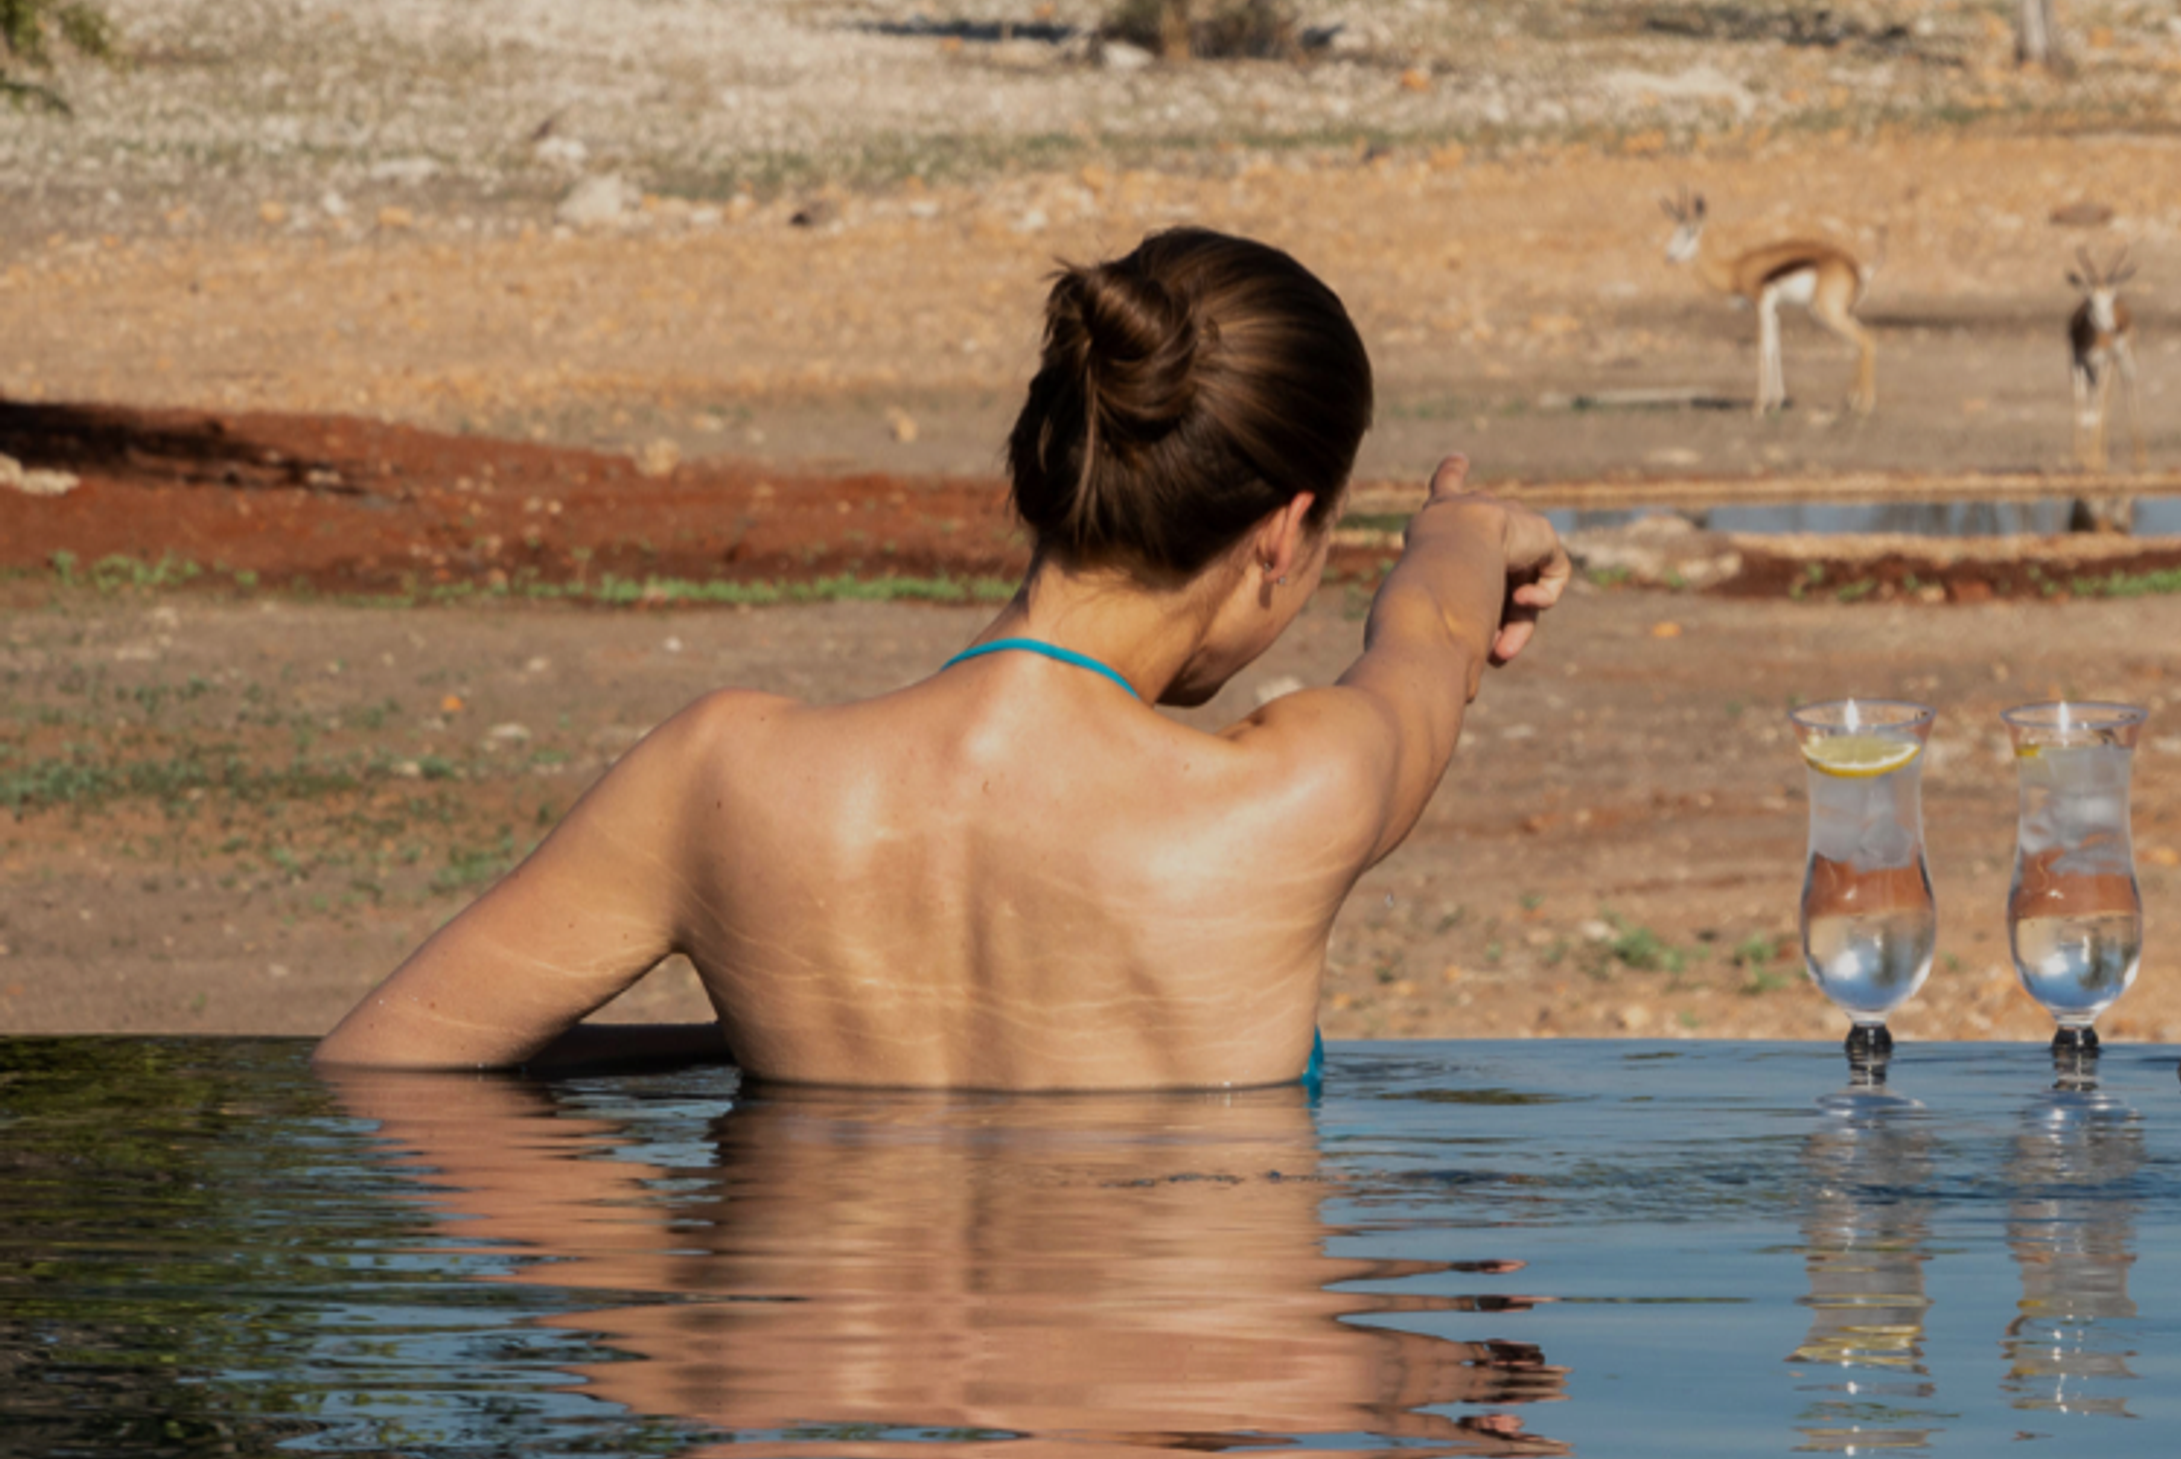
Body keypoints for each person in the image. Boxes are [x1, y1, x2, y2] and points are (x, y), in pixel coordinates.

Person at [318, 227, 1569, 1089]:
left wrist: (680, 1331)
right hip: (1189, 1430)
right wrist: (1463, 531)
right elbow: (1434, 636)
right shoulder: (1294, 796)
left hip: (833, 1453)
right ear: (1285, 532)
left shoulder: (722, 775)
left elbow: (388, 1063)